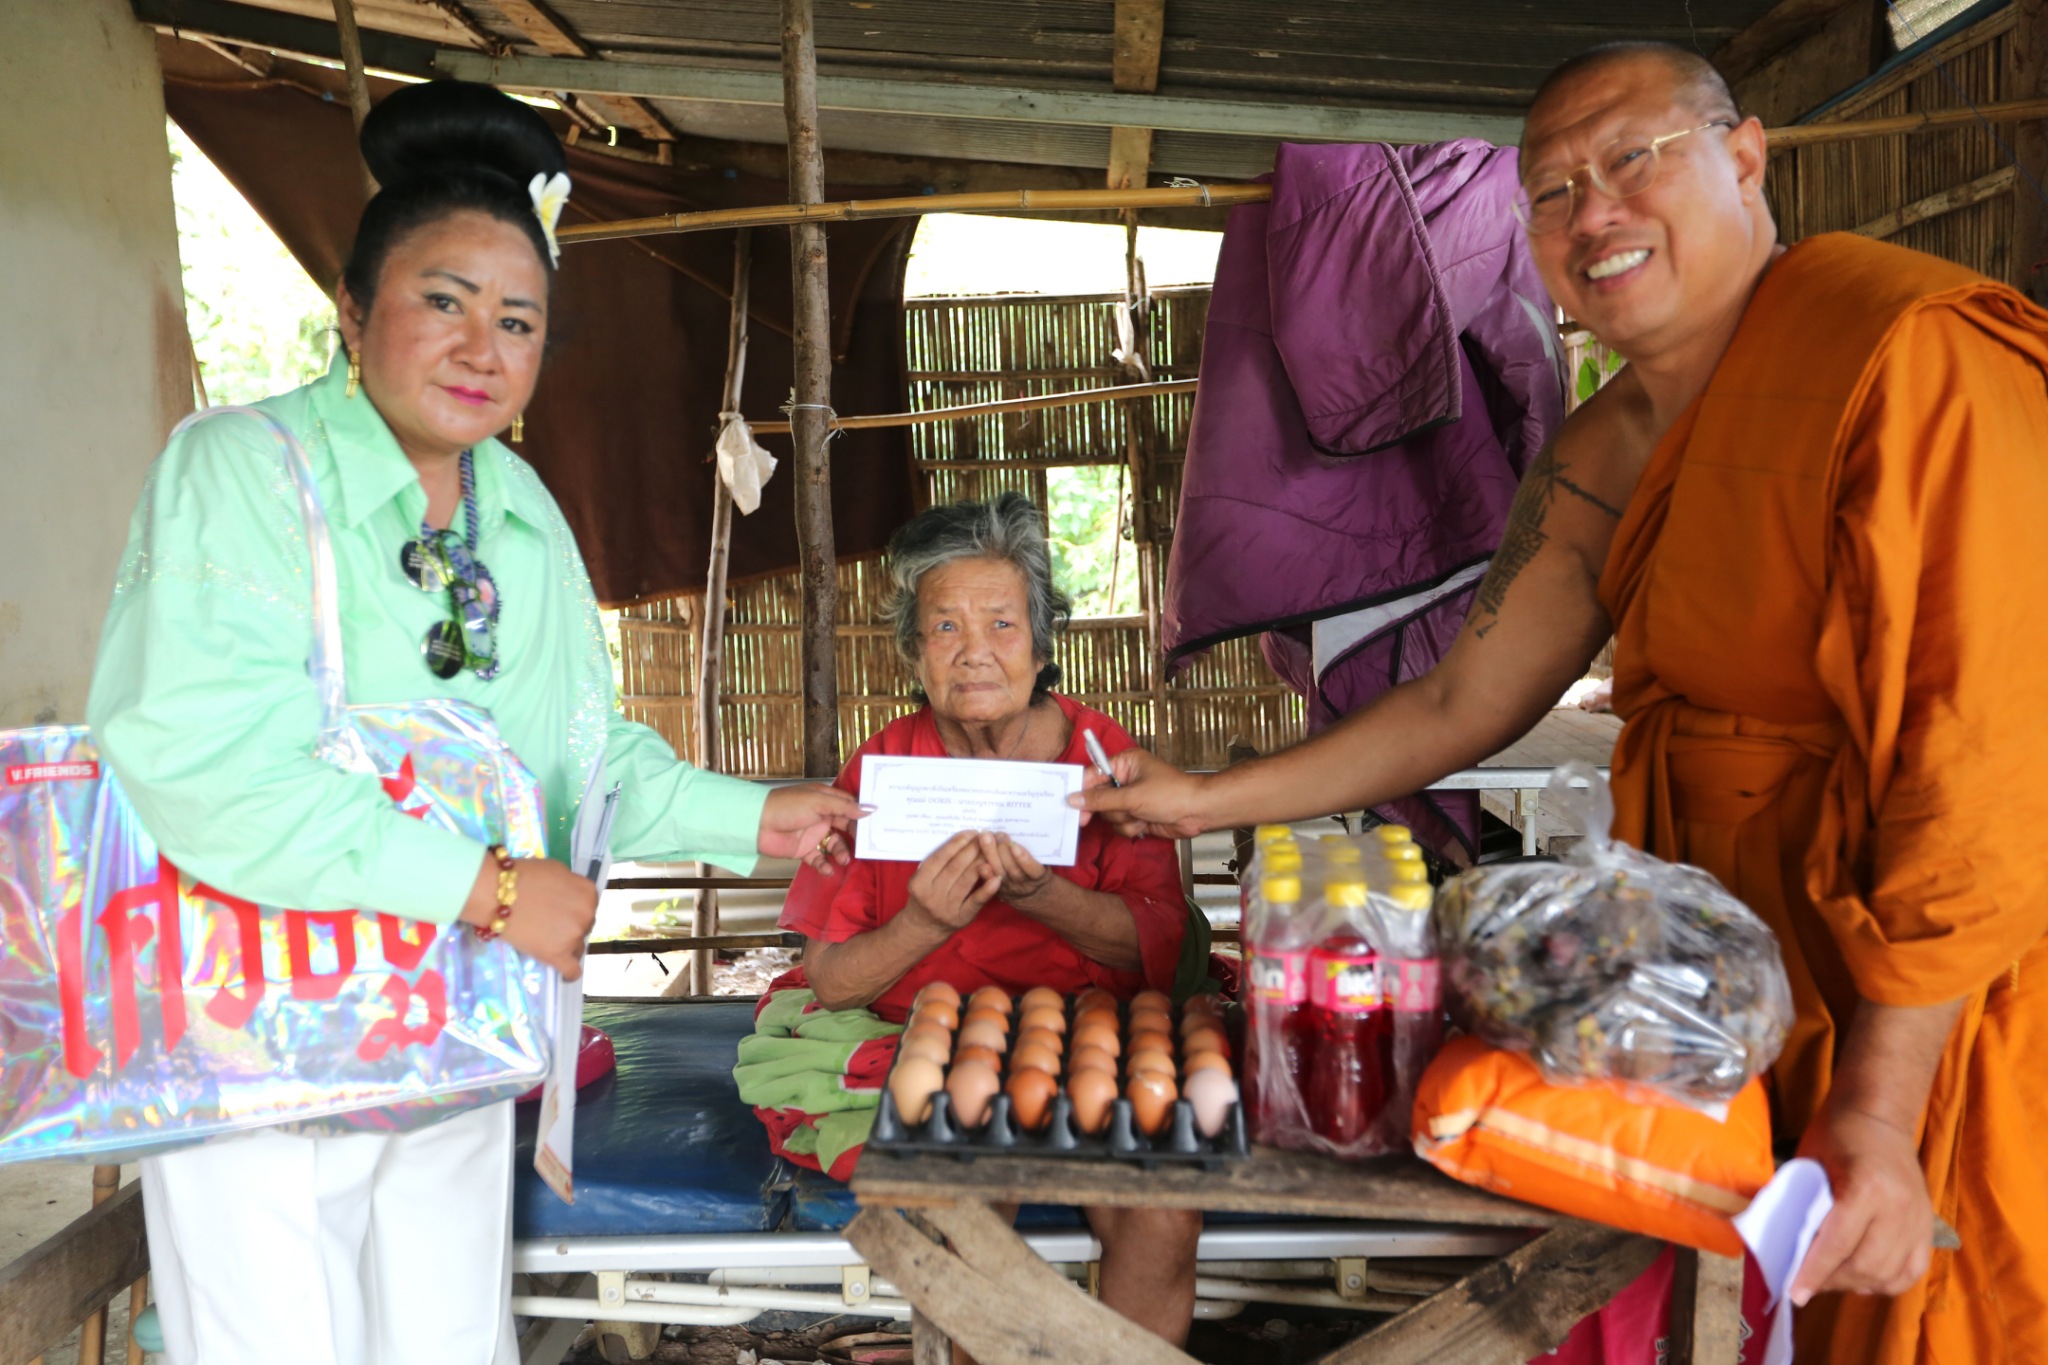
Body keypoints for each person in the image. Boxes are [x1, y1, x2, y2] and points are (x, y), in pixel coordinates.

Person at [1078, 41, 2048, 1362]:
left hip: (1935, 1001)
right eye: (1551, 191)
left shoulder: (1907, 355)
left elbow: (1988, 773)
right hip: (1721, 981)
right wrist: (1203, 802)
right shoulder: (1606, 444)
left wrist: (1880, 1112)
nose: (1593, 214)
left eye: (1632, 160)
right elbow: (1458, 701)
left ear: (1747, 157)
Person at [86, 81, 860, 1365]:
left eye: (517, 320)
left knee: (449, 1343)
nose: (480, 346)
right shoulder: (243, 473)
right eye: (441, 302)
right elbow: (204, 763)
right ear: (352, 312)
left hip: (449, 1030)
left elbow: (576, 753)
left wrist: (760, 814)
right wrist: (490, 889)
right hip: (263, 1041)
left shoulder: (522, 513)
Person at [765, 494, 1205, 1350]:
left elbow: (1169, 948)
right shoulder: (884, 767)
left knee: (1158, 1207)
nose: (974, 652)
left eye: (1002, 623)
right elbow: (829, 977)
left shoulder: (1101, 759)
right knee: (968, 1203)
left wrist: (1044, 897)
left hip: (1094, 1033)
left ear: (1042, 645)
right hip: (927, 1029)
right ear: (913, 653)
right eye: (944, 629)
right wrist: (924, 924)